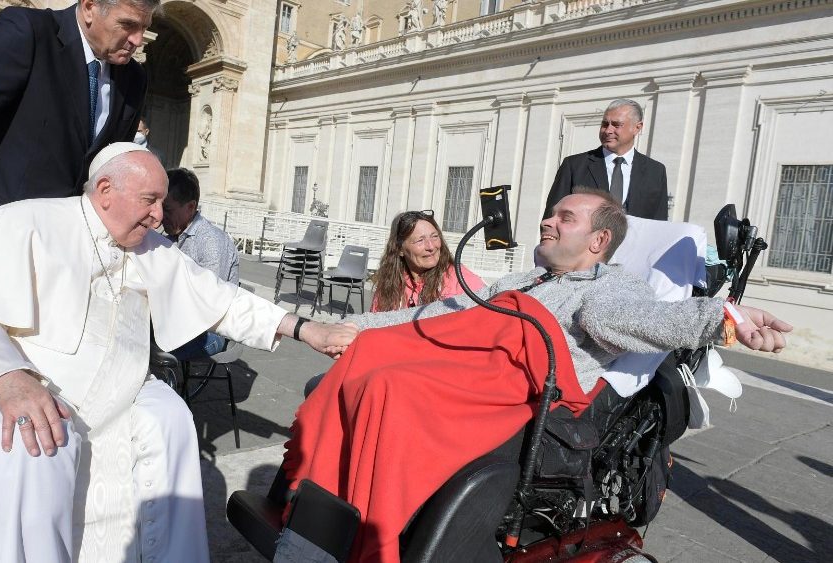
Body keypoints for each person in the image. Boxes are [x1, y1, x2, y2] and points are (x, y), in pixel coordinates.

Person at [0, 143, 357, 562]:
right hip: (31, 387)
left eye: (162, 202)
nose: (161, 216)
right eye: (150, 200)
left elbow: (221, 300)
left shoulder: (150, 247)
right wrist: (9, 379)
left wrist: (304, 328)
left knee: (171, 419)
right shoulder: (25, 222)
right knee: (38, 446)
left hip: (124, 394)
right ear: (105, 190)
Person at [283, 188, 791, 562]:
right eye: (551, 214)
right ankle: (311, 530)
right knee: (364, 359)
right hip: (466, 367)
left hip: (511, 390)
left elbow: (650, 321)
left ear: (598, 241)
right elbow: (443, 313)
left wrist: (726, 319)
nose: (547, 222)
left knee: (389, 384)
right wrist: (351, 327)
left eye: (564, 217)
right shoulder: (522, 278)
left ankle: (373, 542)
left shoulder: (610, 286)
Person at [0, 0, 155, 266]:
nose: (138, 40)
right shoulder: (28, 34)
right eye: (128, 25)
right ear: (89, 7)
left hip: (70, 257)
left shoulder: (134, 79)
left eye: (144, 27)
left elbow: (110, 168)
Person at [161, 167, 240, 359]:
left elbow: (210, 303)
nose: (160, 215)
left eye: (167, 209)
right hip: (178, 322)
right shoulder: (172, 235)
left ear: (190, 207)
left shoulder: (210, 241)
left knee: (158, 355)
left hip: (212, 331)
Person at [545, 99, 668, 220]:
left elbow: (659, 222)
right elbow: (552, 217)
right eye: (604, 124)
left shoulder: (656, 171)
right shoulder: (574, 166)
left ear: (637, 127)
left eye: (616, 125)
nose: (608, 130)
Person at [369, 210, 484, 312]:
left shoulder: (461, 279)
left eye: (434, 236)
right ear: (400, 249)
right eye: (420, 240)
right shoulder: (390, 286)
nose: (431, 246)